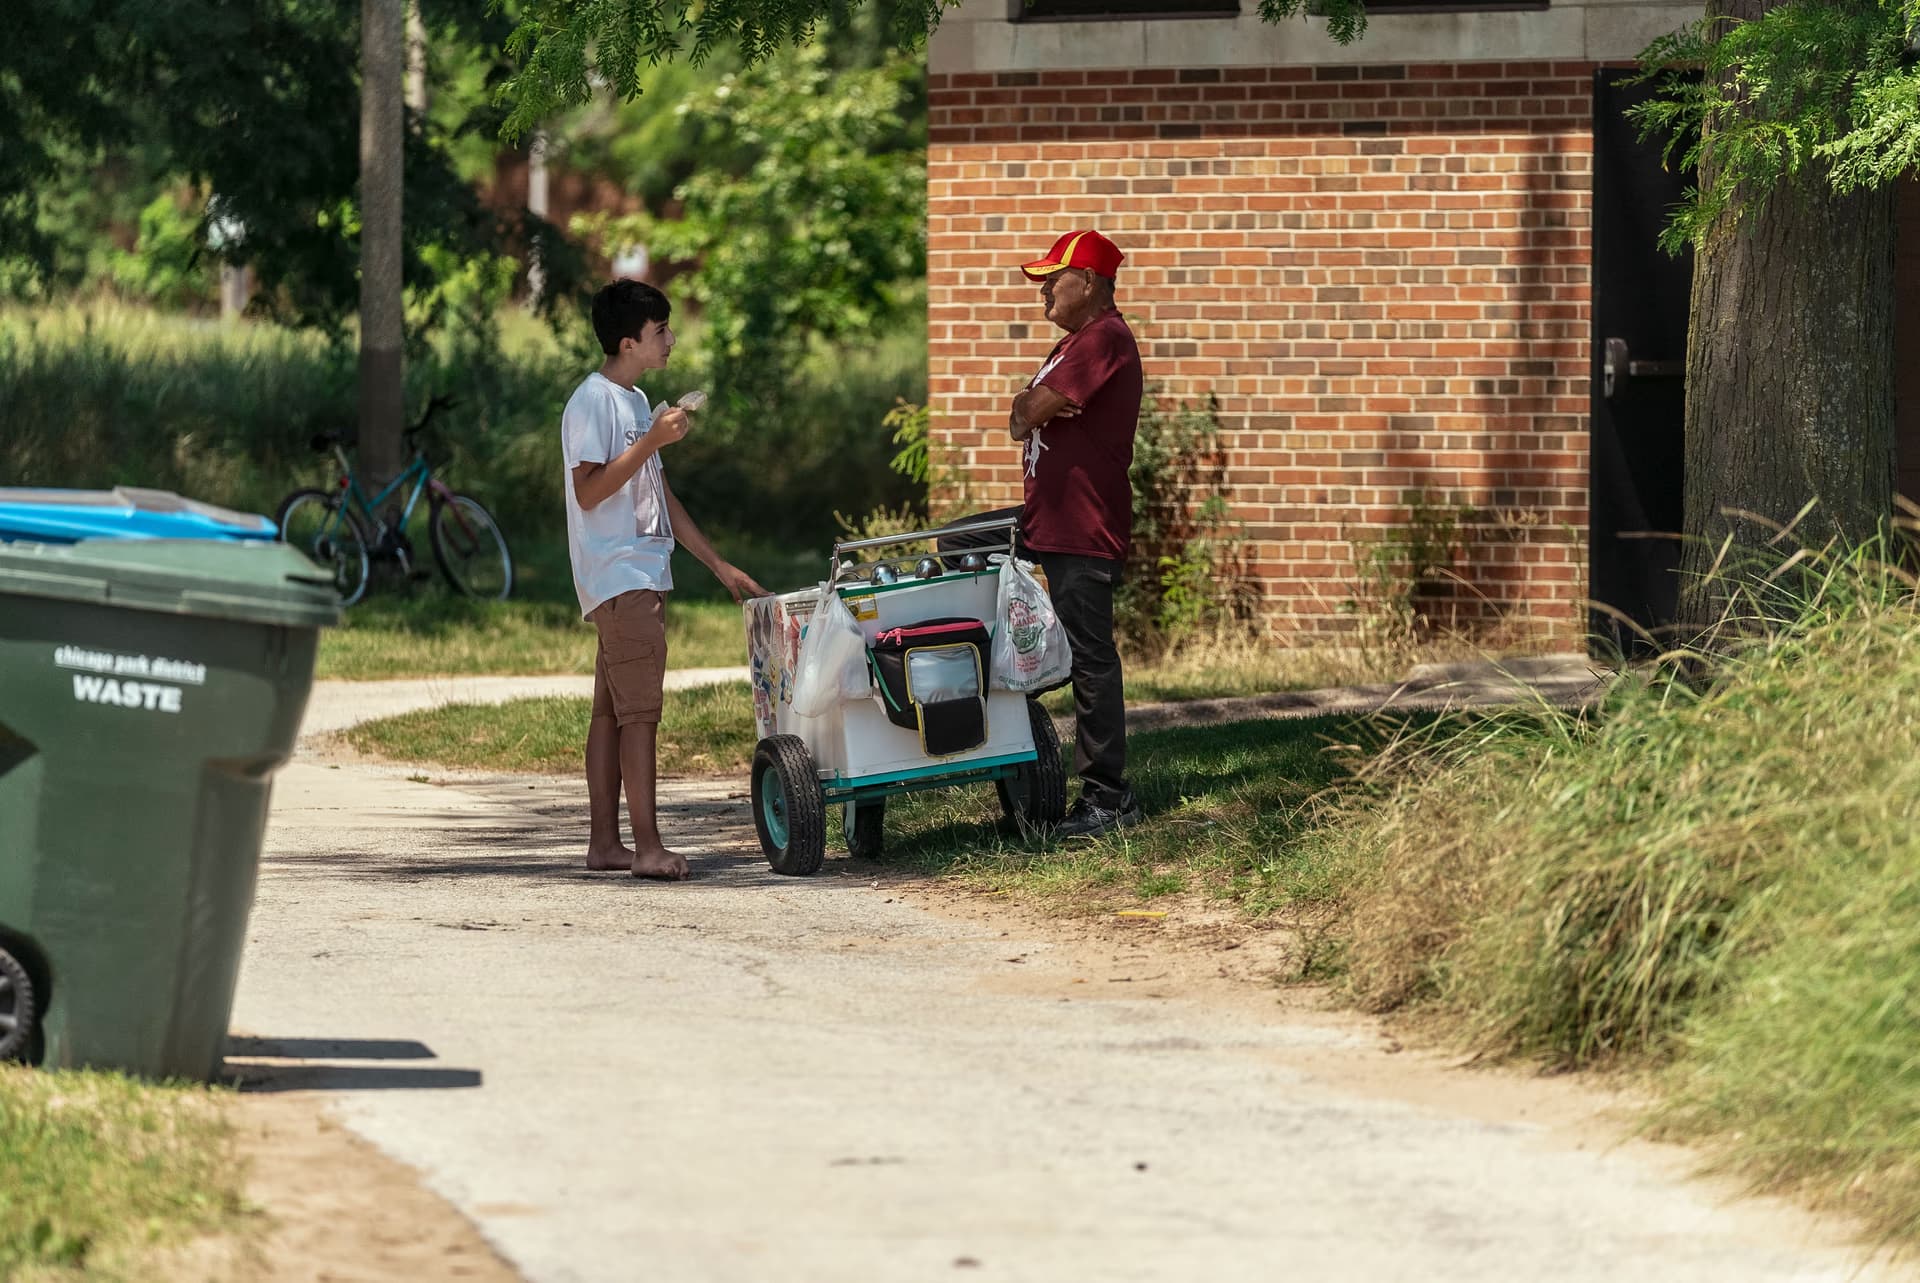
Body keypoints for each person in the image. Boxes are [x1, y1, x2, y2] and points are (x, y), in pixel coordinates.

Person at [939, 229, 1145, 840]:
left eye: (1056, 279)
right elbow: (1018, 416)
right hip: (1042, 519)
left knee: (1092, 657)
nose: (1045, 290)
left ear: (1093, 284)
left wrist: (1031, 405)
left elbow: (1027, 413)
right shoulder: (1070, 345)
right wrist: (1030, 401)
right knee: (959, 543)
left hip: (1081, 525)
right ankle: (1011, 683)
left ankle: (1109, 797)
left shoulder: (1105, 337)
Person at [563, 279, 767, 879]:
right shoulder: (594, 401)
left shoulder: (634, 398)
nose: (671, 339)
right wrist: (652, 439)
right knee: (641, 715)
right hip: (620, 575)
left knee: (611, 712)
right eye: (660, 332)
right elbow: (590, 490)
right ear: (628, 342)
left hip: (641, 571)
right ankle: (648, 847)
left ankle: (606, 843)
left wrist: (717, 564)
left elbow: (658, 492)